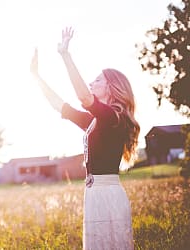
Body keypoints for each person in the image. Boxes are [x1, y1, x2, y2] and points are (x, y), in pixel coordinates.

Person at [30, 27, 139, 249]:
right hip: (95, 195)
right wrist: (36, 76)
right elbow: (59, 105)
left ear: (111, 87)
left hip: (108, 196)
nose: (91, 83)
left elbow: (83, 96)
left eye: (97, 80)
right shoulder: (96, 120)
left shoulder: (114, 118)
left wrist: (66, 55)